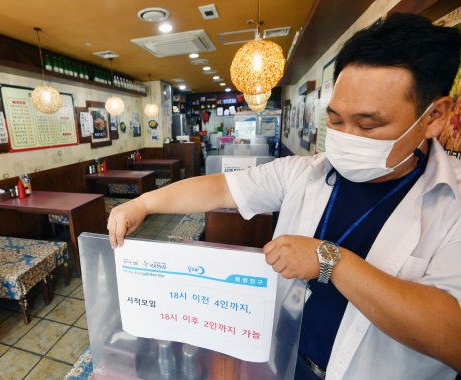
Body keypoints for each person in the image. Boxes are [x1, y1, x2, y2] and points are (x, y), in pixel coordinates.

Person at [108, 13, 461, 380]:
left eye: (368, 124)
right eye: (337, 120)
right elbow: (220, 187)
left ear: (434, 115)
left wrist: (332, 262)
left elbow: (453, 337)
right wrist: (144, 203)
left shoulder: (453, 203)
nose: (347, 136)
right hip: (282, 358)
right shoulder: (305, 172)